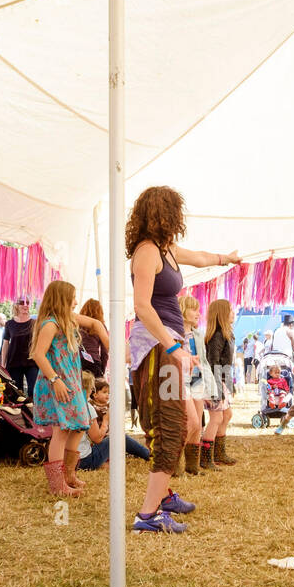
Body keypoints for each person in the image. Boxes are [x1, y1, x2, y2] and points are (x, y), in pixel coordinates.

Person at [126, 185, 238, 533]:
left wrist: (225, 259)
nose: (178, 219)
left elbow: (200, 257)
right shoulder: (147, 252)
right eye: (174, 212)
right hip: (157, 349)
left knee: (190, 423)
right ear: (162, 215)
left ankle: (164, 494)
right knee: (171, 427)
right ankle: (148, 515)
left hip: (171, 346)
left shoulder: (167, 250)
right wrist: (173, 348)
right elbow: (142, 306)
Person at [30, 279, 108, 497]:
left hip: (72, 381)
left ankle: (69, 474)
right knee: (62, 430)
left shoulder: (69, 320)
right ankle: (58, 485)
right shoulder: (51, 324)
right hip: (58, 382)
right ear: (62, 299)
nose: (76, 302)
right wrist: (55, 380)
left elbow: (95, 324)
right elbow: (38, 354)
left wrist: (110, 344)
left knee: (79, 425)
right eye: (72, 297)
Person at [76, 374, 151, 471]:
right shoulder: (87, 407)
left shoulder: (70, 405)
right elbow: (97, 439)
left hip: (71, 459)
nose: (91, 391)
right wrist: (106, 420)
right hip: (85, 460)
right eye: (91, 388)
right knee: (119, 437)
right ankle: (149, 455)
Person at [177, 296, 216, 475]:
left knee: (198, 425)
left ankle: (192, 466)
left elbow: (205, 362)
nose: (197, 314)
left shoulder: (198, 335)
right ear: (183, 310)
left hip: (197, 381)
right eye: (193, 309)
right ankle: (173, 463)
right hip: (180, 382)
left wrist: (210, 386)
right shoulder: (174, 335)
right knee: (190, 423)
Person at [201, 298, 237, 468]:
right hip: (214, 381)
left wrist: (229, 384)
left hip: (221, 380)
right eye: (230, 310)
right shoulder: (217, 335)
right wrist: (216, 388)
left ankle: (219, 453)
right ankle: (206, 457)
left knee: (226, 415)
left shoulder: (227, 333)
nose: (234, 313)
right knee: (216, 417)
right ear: (222, 313)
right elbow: (213, 362)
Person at [0, 296, 38, 397]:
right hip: (14, 362)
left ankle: (32, 411)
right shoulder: (9, 324)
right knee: (16, 392)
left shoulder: (35, 323)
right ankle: (20, 412)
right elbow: (5, 344)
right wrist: (3, 363)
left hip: (32, 362)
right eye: (22, 302)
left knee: (33, 390)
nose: (25, 305)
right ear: (16, 305)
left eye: (28, 303)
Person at [78, 298, 109, 381]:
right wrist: (102, 369)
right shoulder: (100, 326)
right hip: (94, 363)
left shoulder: (77, 325)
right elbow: (104, 352)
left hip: (78, 361)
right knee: (94, 391)